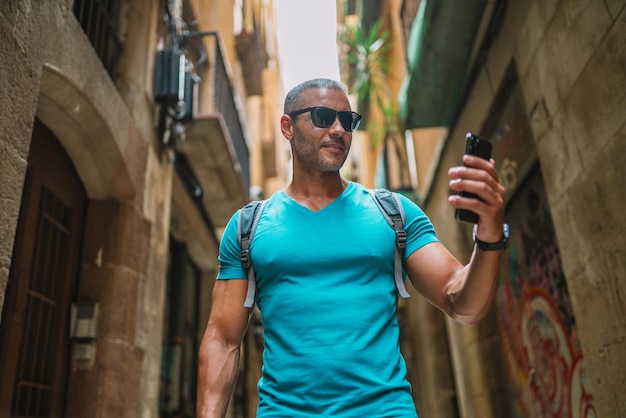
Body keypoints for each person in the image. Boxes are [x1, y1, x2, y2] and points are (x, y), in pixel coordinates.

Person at [197, 78, 506, 417]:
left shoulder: (394, 214)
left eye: (347, 121)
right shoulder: (248, 227)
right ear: (287, 126)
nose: (338, 129)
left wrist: (490, 235)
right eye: (322, 117)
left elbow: (461, 301)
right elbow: (223, 340)